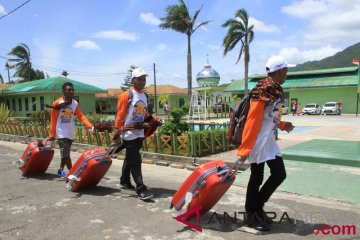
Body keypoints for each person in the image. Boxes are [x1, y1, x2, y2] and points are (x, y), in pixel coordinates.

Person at [237, 56, 295, 231]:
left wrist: (283, 125)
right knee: (257, 177)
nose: (287, 73)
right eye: (286, 70)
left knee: (279, 174)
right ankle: (251, 213)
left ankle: (258, 206)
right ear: (279, 71)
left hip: (267, 139)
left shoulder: (274, 89)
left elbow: (269, 116)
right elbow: (253, 120)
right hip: (256, 140)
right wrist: (245, 147)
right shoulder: (262, 90)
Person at [114, 67, 153, 201]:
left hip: (140, 131)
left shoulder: (144, 95)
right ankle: (141, 188)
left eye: (144, 79)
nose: (142, 82)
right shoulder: (126, 95)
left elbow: (143, 113)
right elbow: (119, 115)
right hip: (128, 132)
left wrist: (152, 121)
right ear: (133, 80)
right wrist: (118, 132)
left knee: (130, 157)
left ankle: (124, 180)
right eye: (139, 79)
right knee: (135, 160)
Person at [48, 82, 94, 177]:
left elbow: (80, 116)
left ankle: (60, 170)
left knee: (65, 153)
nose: (71, 92)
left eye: (72, 90)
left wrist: (89, 125)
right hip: (61, 132)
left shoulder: (75, 103)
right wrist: (52, 134)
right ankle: (73, 174)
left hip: (70, 132)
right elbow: (53, 120)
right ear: (63, 91)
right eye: (69, 90)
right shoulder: (57, 103)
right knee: (66, 154)